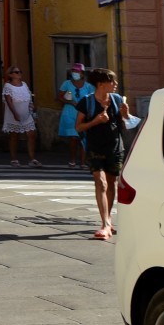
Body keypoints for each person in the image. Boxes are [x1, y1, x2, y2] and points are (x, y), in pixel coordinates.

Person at [76, 66, 134, 241]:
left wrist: (126, 114)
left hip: (115, 148)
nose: (115, 84)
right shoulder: (87, 102)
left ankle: (108, 219)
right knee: (100, 183)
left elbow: (127, 124)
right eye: (111, 81)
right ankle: (105, 224)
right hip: (95, 149)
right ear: (100, 84)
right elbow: (79, 127)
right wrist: (95, 121)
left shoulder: (117, 99)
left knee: (111, 183)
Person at [1, 65, 38, 166]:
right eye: (16, 72)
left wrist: (32, 105)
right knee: (14, 136)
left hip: (26, 113)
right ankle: (14, 159)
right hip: (13, 114)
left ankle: (32, 159)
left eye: (20, 71)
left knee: (31, 134)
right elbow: (8, 101)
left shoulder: (24, 84)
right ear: (10, 75)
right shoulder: (8, 86)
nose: (19, 74)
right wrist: (15, 114)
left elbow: (28, 97)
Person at [56, 63, 89, 170]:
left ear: (82, 73)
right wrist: (70, 102)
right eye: (73, 71)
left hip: (83, 115)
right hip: (69, 113)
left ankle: (83, 162)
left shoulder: (88, 86)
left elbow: (92, 99)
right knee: (73, 138)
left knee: (83, 139)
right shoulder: (66, 84)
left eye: (77, 71)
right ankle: (72, 160)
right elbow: (60, 97)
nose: (75, 73)